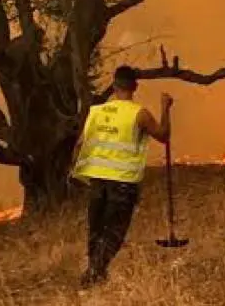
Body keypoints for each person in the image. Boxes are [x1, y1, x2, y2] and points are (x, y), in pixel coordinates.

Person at [71, 65, 172, 288]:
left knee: (96, 230)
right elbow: (163, 135)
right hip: (123, 182)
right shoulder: (139, 114)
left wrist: (76, 174)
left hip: (97, 180)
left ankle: (95, 273)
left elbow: (79, 145)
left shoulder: (96, 112)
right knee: (115, 231)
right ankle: (94, 274)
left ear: (114, 86)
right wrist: (165, 108)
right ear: (135, 87)